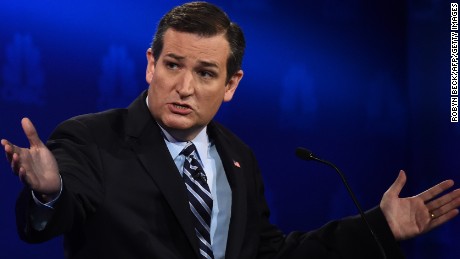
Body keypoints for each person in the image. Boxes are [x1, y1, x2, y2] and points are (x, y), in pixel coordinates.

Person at [2, 2, 460, 259]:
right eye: (173, 65)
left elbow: (268, 255)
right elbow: (45, 223)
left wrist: (377, 228)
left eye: (204, 73)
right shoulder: (91, 138)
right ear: (150, 65)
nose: (183, 86)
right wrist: (49, 192)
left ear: (230, 85)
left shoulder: (238, 158)